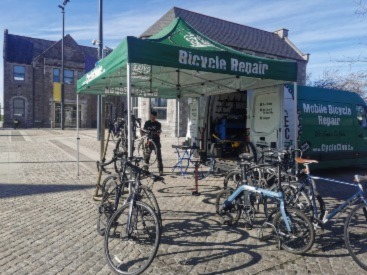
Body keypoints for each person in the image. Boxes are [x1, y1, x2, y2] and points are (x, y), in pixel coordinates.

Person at [143, 111, 163, 176]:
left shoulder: (158, 124)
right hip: (149, 142)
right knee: (147, 156)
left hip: (156, 141)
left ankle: (160, 170)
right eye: (151, 116)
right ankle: (146, 169)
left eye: (154, 117)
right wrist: (144, 133)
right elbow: (143, 131)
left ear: (156, 117)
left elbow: (159, 132)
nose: (152, 118)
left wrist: (158, 132)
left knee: (158, 156)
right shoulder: (147, 123)